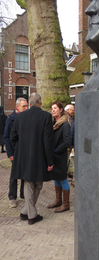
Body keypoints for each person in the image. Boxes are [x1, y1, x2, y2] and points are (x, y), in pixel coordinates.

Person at [10, 93, 54, 225]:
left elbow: (13, 137)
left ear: (29, 104)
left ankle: (25, 211)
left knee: (34, 184)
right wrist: (50, 160)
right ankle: (32, 215)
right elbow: (48, 140)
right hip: (39, 156)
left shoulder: (20, 116)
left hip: (23, 157)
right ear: (40, 103)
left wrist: (21, 148)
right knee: (33, 184)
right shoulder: (46, 116)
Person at [4, 97, 28, 208]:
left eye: (27, 106)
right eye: (24, 106)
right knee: (14, 175)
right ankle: (12, 197)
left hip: (24, 152)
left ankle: (23, 194)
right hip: (15, 152)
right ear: (17, 107)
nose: (26, 108)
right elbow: (7, 137)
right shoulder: (11, 119)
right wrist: (10, 153)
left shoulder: (26, 118)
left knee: (24, 173)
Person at [48, 101, 72, 212]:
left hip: (61, 155)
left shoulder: (65, 124)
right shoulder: (53, 124)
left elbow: (67, 142)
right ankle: (58, 200)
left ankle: (66, 204)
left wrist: (57, 150)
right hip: (54, 156)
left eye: (55, 108)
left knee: (62, 178)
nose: (53, 110)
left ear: (61, 110)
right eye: (52, 108)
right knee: (56, 176)